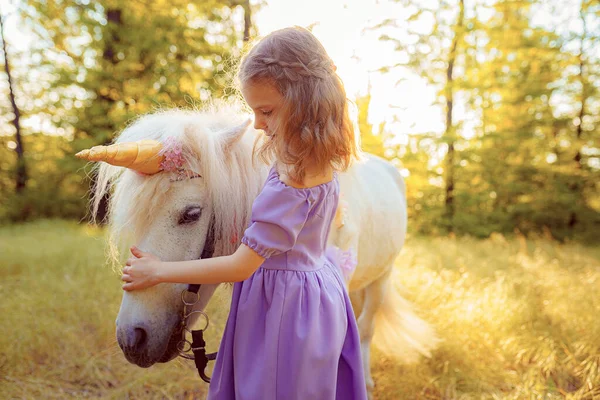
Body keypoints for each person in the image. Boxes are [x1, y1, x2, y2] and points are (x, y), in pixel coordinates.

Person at [121, 26, 368, 400]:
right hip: (315, 295)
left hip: (284, 307)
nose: (256, 124)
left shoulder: (290, 182)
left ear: (305, 103)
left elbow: (240, 266)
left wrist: (159, 271)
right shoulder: (318, 161)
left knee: (272, 386)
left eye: (266, 111)